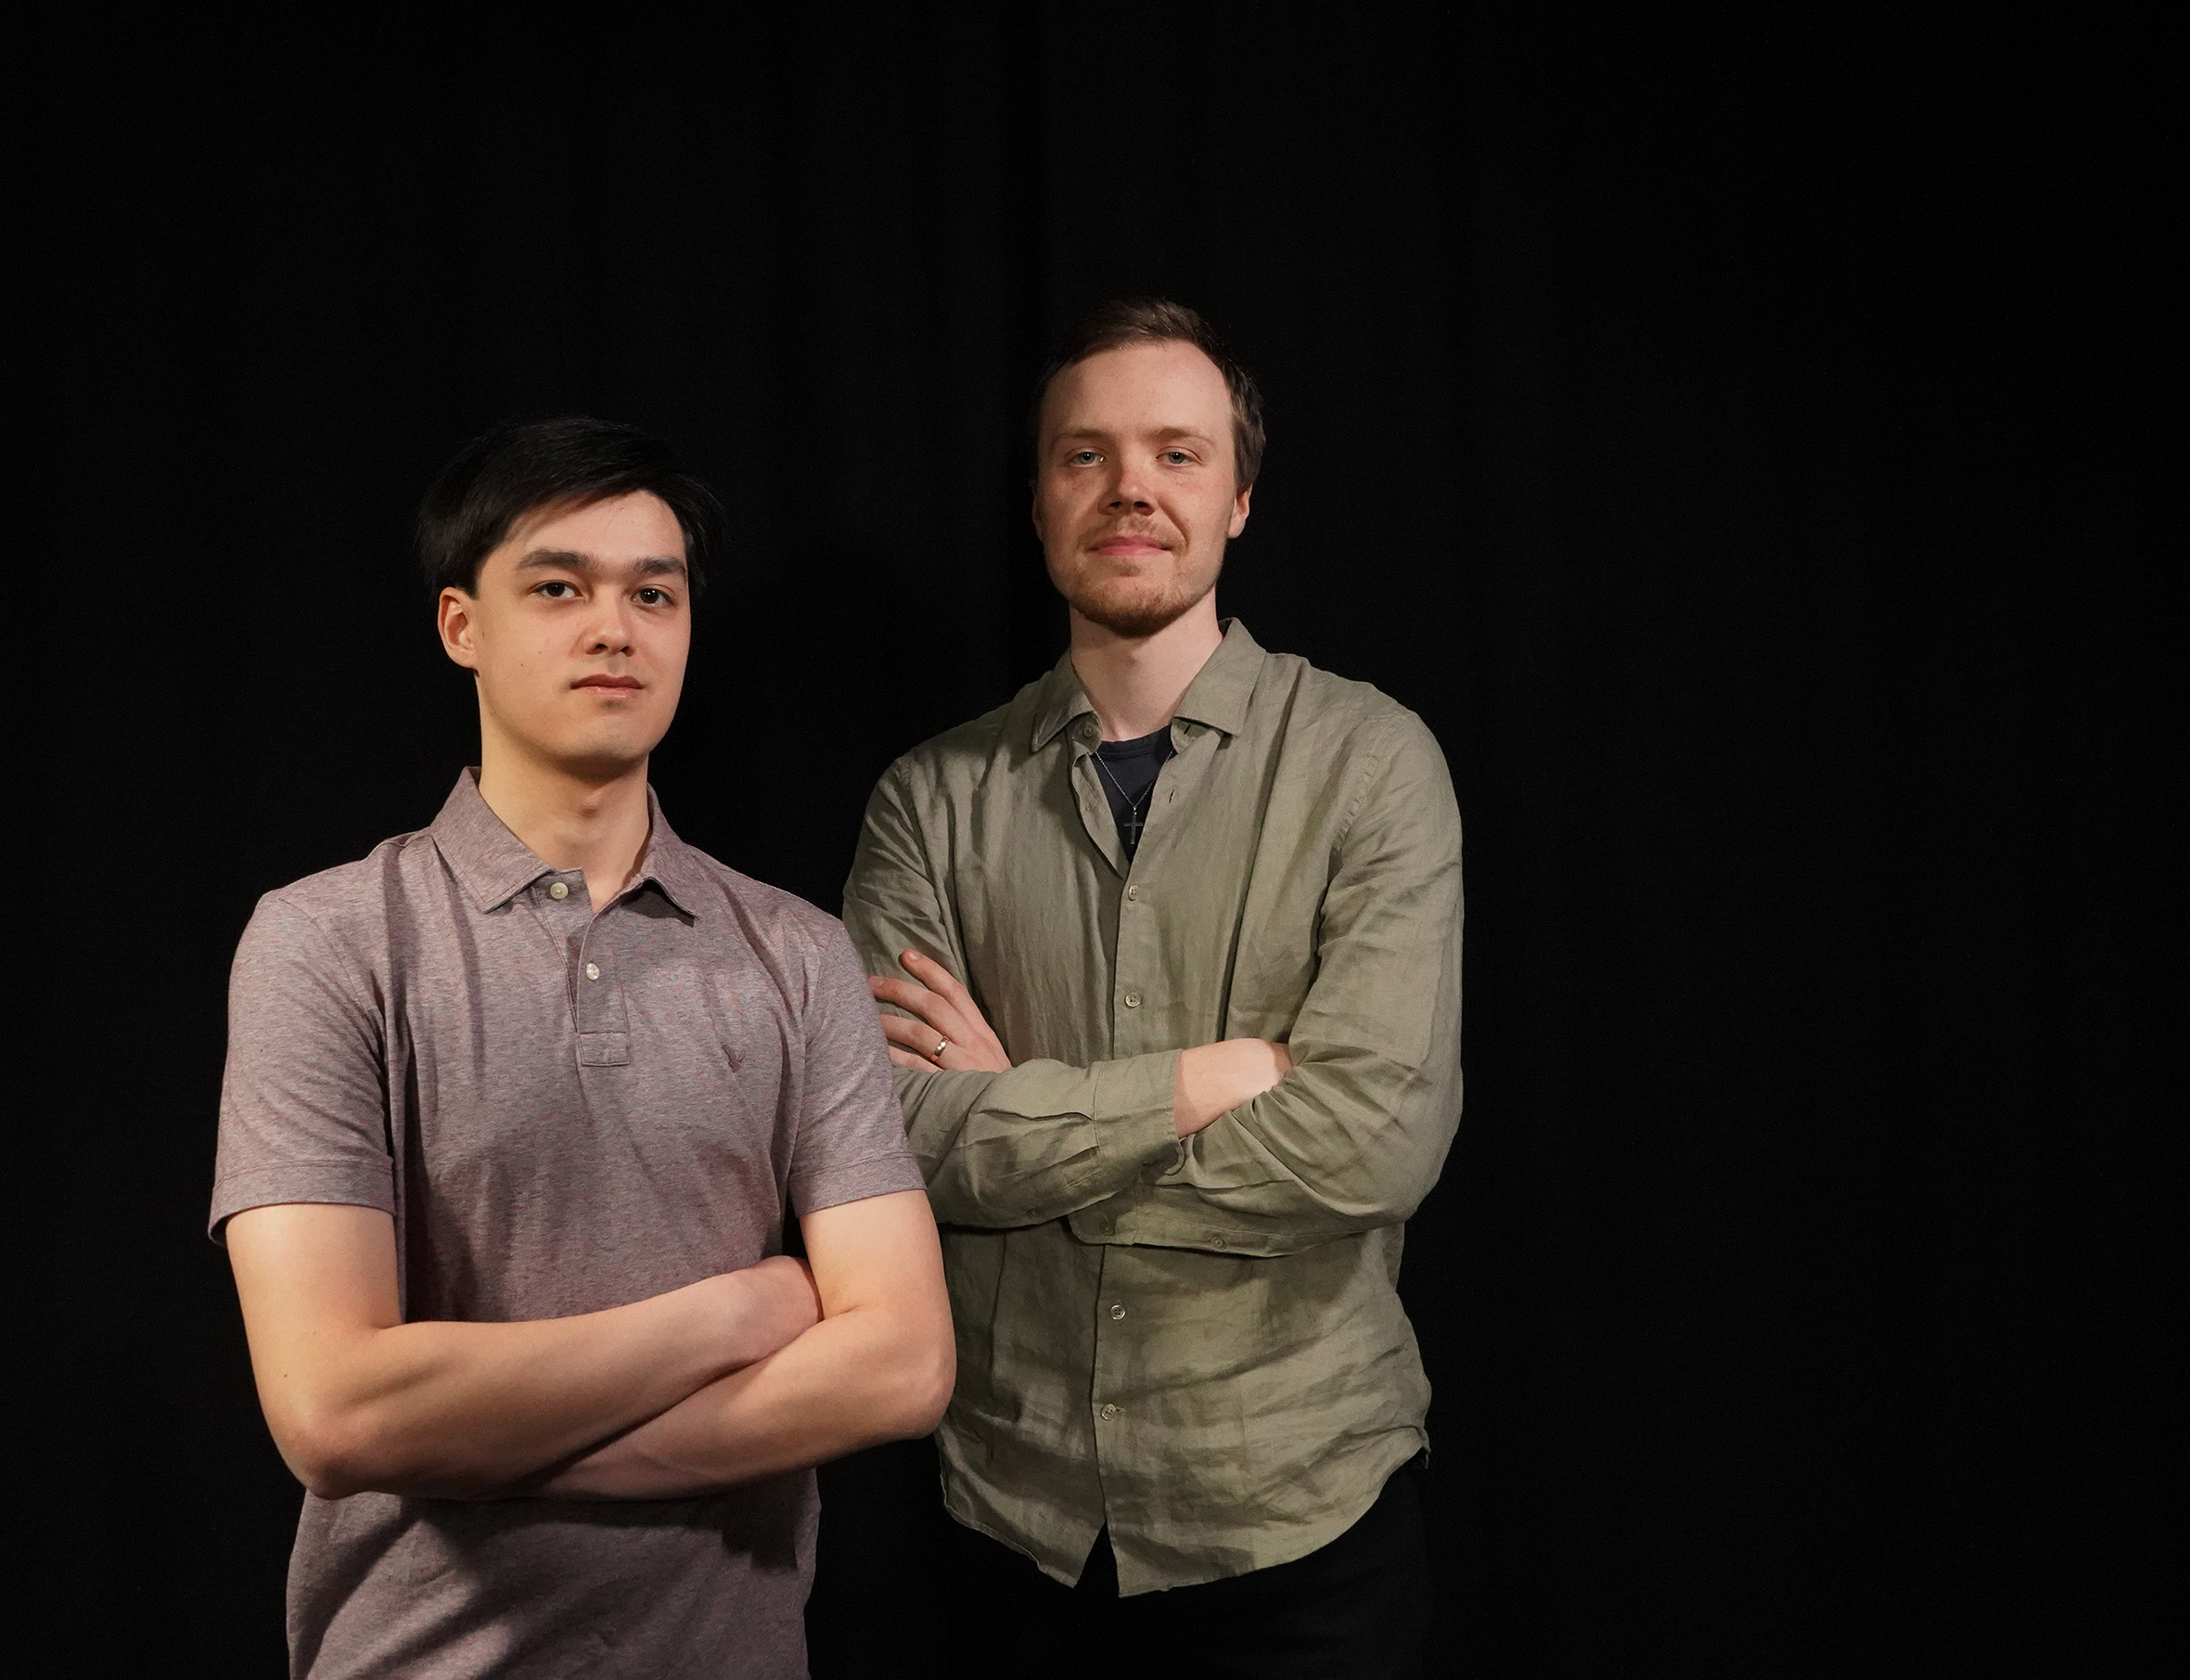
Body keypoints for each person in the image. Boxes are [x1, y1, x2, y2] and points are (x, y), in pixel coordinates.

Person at [211, 417, 952, 1679]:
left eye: (653, 594)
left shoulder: (798, 952)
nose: (615, 627)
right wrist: (742, 1310)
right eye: (559, 588)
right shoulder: (328, 941)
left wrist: (505, 1453)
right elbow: (333, 1410)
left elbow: (901, 1365)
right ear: (462, 627)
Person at [841, 300, 1461, 1676]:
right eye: (1087, 456)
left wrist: (1020, 1121)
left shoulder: (1372, 765)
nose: (1131, 488)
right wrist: (1205, 1082)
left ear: (1238, 499)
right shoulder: (927, 802)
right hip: (1008, 1524)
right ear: (1039, 503)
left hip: (1301, 1521)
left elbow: (1375, 1144)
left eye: (1177, 454)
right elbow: (894, 1142)